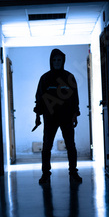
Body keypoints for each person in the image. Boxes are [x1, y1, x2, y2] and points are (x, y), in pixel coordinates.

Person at [33, 48, 82, 185]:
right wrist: (38, 116)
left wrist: (75, 115)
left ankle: (73, 172)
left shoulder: (69, 78)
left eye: (59, 59)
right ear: (51, 61)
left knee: (70, 145)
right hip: (50, 118)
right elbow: (39, 99)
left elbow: (74, 98)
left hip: (66, 117)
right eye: (54, 60)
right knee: (47, 146)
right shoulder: (45, 78)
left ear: (63, 61)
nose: (56, 62)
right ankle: (45, 174)